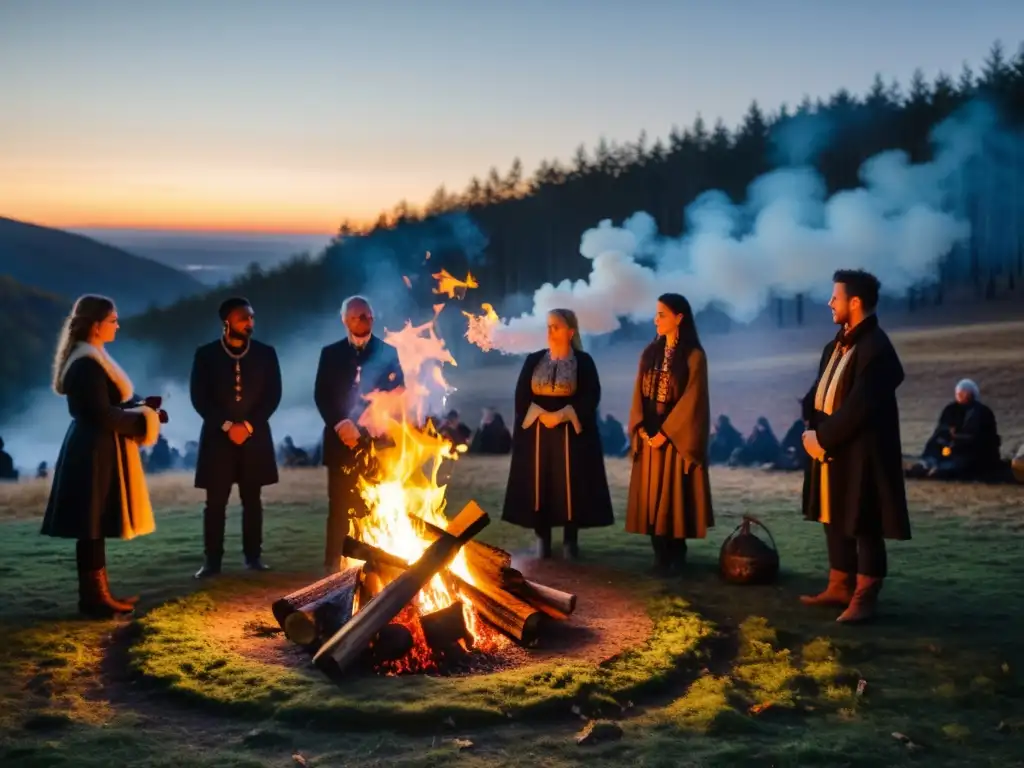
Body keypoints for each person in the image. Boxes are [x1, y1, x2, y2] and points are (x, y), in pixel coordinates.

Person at [40, 294, 166, 617]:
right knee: (91, 523)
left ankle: (98, 596)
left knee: (93, 523)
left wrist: (144, 407)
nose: (117, 325)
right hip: (93, 448)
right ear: (97, 325)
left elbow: (111, 403)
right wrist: (142, 419)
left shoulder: (93, 356)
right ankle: (94, 599)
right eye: (113, 320)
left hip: (98, 445)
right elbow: (101, 414)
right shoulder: (86, 363)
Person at [799, 269, 911, 623]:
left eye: (836, 297)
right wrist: (810, 424)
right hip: (833, 447)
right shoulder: (836, 344)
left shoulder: (876, 347)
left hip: (863, 451)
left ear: (855, 301)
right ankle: (839, 584)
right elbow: (823, 389)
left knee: (865, 520)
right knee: (834, 514)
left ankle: (865, 594)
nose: (830, 303)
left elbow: (861, 405)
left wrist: (823, 438)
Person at [502, 309, 614, 559]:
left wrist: (565, 414)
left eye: (556, 327)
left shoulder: (583, 362)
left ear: (570, 332)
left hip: (570, 438)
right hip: (538, 436)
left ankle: (569, 541)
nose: (550, 331)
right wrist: (542, 414)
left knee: (569, 486)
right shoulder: (534, 360)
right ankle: (542, 538)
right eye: (549, 326)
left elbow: (591, 395)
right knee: (541, 484)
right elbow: (522, 395)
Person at [190, 297, 282, 578]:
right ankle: (212, 562)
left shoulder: (266, 353)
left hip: (254, 438)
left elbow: (272, 395)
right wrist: (229, 425)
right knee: (215, 503)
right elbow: (199, 398)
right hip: (218, 440)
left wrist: (249, 426)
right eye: (243, 317)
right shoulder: (205, 355)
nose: (249, 323)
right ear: (227, 321)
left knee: (253, 500)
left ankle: (253, 557)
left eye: (251, 317)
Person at [625, 293, 714, 575]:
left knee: (674, 499)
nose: (656, 320)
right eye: (656, 314)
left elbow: (693, 399)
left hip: (676, 439)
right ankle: (659, 555)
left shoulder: (694, 357)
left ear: (679, 318)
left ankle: (677, 556)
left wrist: (667, 433)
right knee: (652, 498)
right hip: (650, 436)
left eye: (662, 314)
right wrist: (641, 427)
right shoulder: (649, 353)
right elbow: (639, 393)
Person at [315, 295, 404, 574]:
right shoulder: (330, 354)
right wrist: (342, 424)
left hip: (376, 440)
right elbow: (322, 395)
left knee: (375, 503)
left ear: (373, 318)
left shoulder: (388, 352)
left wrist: (362, 428)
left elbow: (396, 394)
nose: (363, 320)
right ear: (345, 320)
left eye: (366, 315)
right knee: (339, 505)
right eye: (356, 316)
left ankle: (374, 564)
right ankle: (334, 566)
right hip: (340, 440)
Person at [909, 379, 1002, 480]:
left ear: (971, 394)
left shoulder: (982, 412)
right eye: (959, 393)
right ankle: (925, 464)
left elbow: (983, 439)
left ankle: (940, 470)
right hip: (948, 447)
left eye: (964, 393)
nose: (960, 395)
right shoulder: (951, 409)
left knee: (954, 464)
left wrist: (959, 439)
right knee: (934, 449)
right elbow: (941, 430)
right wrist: (946, 438)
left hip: (971, 452)